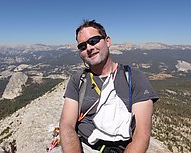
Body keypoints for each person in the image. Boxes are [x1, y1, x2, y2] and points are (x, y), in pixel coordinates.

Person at [55, 20, 159, 153]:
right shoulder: (78, 80)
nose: (89, 48)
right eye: (82, 46)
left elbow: (141, 135)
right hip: (83, 146)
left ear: (107, 41)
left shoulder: (135, 78)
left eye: (93, 41)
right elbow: (67, 124)